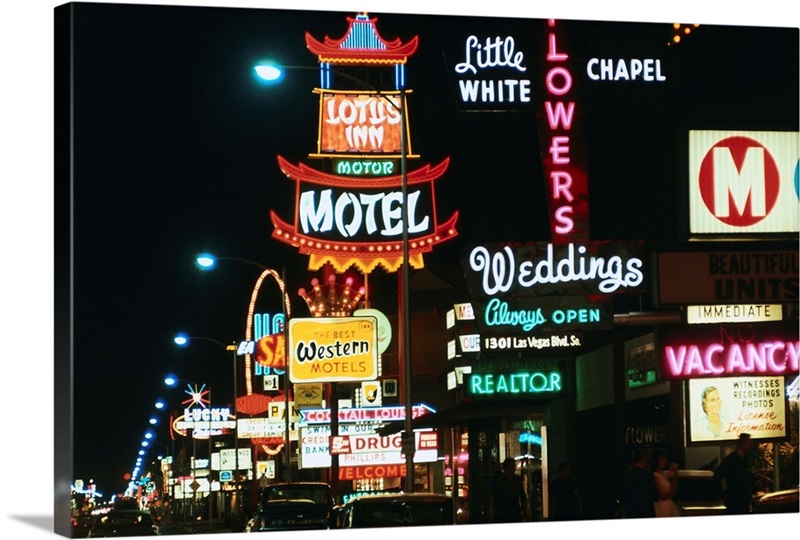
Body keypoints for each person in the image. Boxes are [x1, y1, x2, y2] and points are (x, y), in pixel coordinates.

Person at [714, 433, 756, 514]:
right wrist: (722, 494)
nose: (751, 445)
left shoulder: (744, 458)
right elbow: (718, 475)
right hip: (734, 498)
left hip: (743, 497)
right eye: (749, 442)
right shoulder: (731, 459)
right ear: (743, 443)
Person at [619, 449, 658, 518]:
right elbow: (654, 495)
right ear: (644, 459)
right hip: (646, 511)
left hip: (631, 511)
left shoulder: (626, 476)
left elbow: (622, 495)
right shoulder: (647, 476)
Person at [492, 457, 529, 523]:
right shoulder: (501, 481)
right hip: (505, 511)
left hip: (513, 511)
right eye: (512, 466)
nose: (514, 468)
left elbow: (522, 495)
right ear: (507, 468)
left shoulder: (515, 480)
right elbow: (497, 497)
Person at [651, 451, 681, 517]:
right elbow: (665, 496)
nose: (664, 461)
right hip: (662, 507)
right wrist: (675, 478)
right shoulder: (655, 476)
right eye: (661, 459)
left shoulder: (663, 475)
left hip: (667, 506)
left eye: (664, 459)